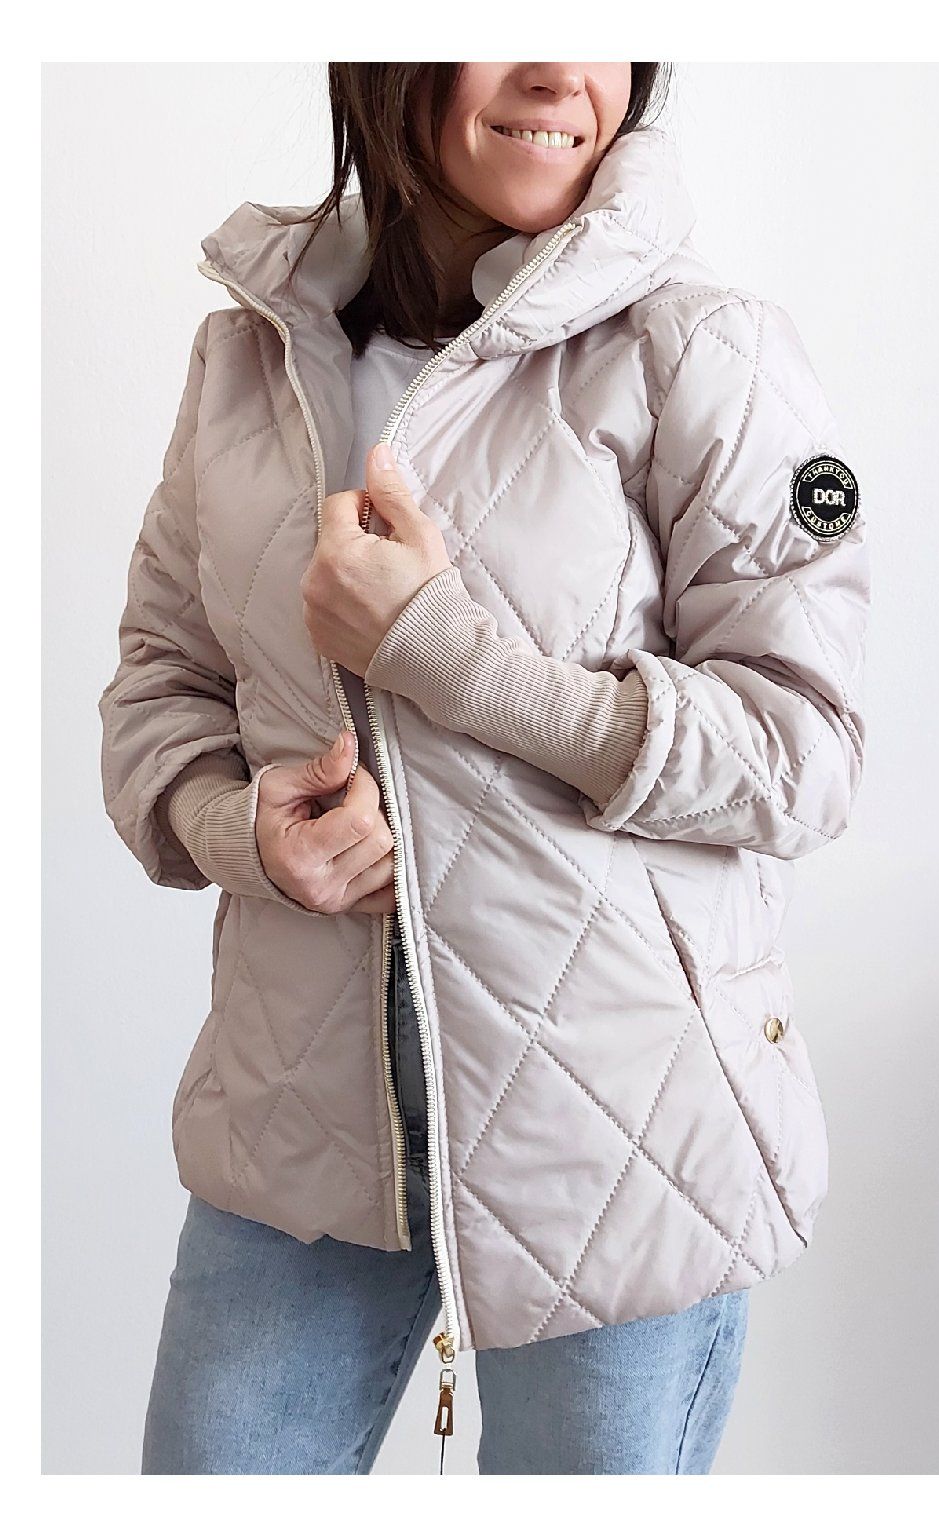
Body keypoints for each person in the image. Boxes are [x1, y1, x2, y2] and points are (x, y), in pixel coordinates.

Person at [98, 62, 869, 1475]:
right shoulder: (249, 356)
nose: (559, 71)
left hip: (626, 1141)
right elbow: (159, 686)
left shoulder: (704, 349)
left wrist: (452, 659)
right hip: (300, 1120)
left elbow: (803, 751)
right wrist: (240, 829)